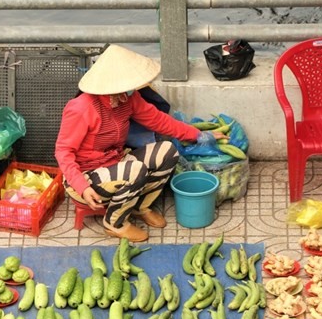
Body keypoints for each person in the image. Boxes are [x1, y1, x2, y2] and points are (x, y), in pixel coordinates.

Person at [55, 45, 225, 242]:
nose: (129, 92)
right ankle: (114, 223)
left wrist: (198, 135)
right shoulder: (81, 108)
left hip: (115, 161)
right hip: (86, 176)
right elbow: (63, 151)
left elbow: (159, 121)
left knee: (168, 151)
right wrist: (82, 186)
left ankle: (140, 207)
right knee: (135, 170)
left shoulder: (129, 99)